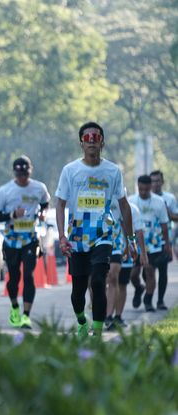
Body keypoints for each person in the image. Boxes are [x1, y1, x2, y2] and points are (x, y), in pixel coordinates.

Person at [55, 122, 137, 339]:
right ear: (81, 143)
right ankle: (82, 320)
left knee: (99, 281)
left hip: (103, 235)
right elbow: (60, 204)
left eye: (96, 138)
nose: (92, 141)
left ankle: (98, 332)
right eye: (87, 138)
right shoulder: (70, 170)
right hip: (77, 237)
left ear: (102, 143)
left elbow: (124, 205)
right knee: (78, 290)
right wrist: (62, 236)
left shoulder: (113, 171)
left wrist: (131, 240)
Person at [0, 155, 50, 329]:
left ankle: (26, 315)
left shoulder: (39, 187)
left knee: (28, 275)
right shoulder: (5, 191)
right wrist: (12, 215)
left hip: (30, 238)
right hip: (11, 239)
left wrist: (43, 213)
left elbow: (45, 203)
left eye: (25, 174)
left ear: (30, 172)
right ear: (14, 174)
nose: (22, 178)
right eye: (19, 175)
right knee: (14, 277)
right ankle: (15, 307)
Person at [128, 175, 171, 312]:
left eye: (146, 190)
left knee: (150, 271)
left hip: (153, 244)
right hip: (136, 243)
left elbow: (164, 224)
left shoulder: (159, 202)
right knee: (133, 274)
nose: (143, 192)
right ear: (138, 186)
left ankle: (148, 300)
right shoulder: (131, 201)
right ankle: (139, 288)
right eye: (141, 189)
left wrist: (167, 244)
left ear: (150, 187)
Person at [107, 200, 147, 328]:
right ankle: (107, 316)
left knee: (122, 283)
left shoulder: (132, 209)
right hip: (109, 248)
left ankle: (118, 316)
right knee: (111, 279)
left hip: (127, 251)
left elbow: (139, 231)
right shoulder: (105, 203)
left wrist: (143, 253)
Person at [149, 170, 178, 310]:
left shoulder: (169, 198)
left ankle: (160, 300)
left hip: (163, 239)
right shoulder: (144, 197)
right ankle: (145, 293)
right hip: (147, 242)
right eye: (153, 181)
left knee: (162, 271)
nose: (155, 184)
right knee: (147, 272)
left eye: (158, 181)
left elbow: (176, 217)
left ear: (162, 182)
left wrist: (167, 211)